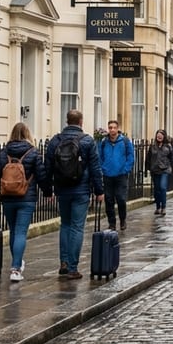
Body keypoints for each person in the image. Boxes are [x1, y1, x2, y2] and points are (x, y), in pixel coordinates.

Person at [0, 123, 49, 281]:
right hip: (26, 198)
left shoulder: (3, 152)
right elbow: (41, 175)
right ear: (27, 134)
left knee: (14, 230)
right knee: (21, 232)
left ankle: (16, 263)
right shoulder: (33, 152)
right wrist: (48, 192)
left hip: (8, 197)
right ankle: (15, 269)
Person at [45, 109, 103, 280]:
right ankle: (72, 267)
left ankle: (63, 261)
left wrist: (48, 190)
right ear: (81, 122)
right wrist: (99, 191)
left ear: (66, 121)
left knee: (65, 225)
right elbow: (95, 168)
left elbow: (47, 166)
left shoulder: (55, 141)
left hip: (62, 189)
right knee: (77, 227)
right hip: (81, 189)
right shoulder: (87, 141)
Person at [97, 119, 135, 231]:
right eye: (110, 128)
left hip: (121, 175)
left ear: (118, 129)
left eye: (114, 127)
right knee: (108, 200)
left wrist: (126, 169)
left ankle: (122, 220)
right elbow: (99, 156)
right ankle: (112, 223)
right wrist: (102, 168)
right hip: (107, 174)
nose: (112, 130)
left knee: (121, 198)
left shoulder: (125, 141)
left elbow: (130, 156)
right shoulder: (103, 142)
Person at [145, 129, 173, 216]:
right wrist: (147, 168)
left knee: (163, 187)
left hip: (165, 169)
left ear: (164, 136)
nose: (159, 137)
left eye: (161, 135)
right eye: (158, 135)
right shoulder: (152, 146)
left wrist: (170, 165)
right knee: (157, 189)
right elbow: (148, 158)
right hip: (155, 170)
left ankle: (164, 207)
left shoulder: (168, 146)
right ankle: (158, 207)